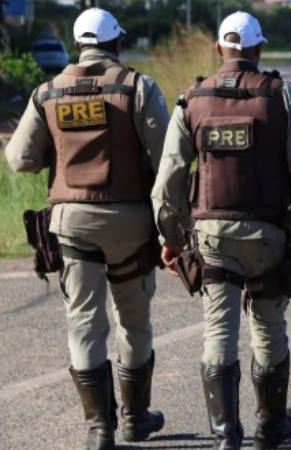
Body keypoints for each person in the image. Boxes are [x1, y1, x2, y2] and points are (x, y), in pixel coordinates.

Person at [151, 11, 291, 450]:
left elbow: (170, 177)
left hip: (211, 238)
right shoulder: (284, 96)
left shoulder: (190, 99)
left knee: (219, 330)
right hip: (268, 236)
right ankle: (271, 426)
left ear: (219, 51)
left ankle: (225, 434)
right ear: (259, 50)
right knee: (268, 328)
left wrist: (169, 235)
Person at [4, 7, 169, 450]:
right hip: (132, 224)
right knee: (133, 322)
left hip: (72, 225)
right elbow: (168, 155)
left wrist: (55, 157)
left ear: (78, 45)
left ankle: (100, 430)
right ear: (115, 43)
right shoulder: (137, 87)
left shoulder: (46, 93)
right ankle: (135, 419)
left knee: (84, 324)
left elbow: (19, 159)